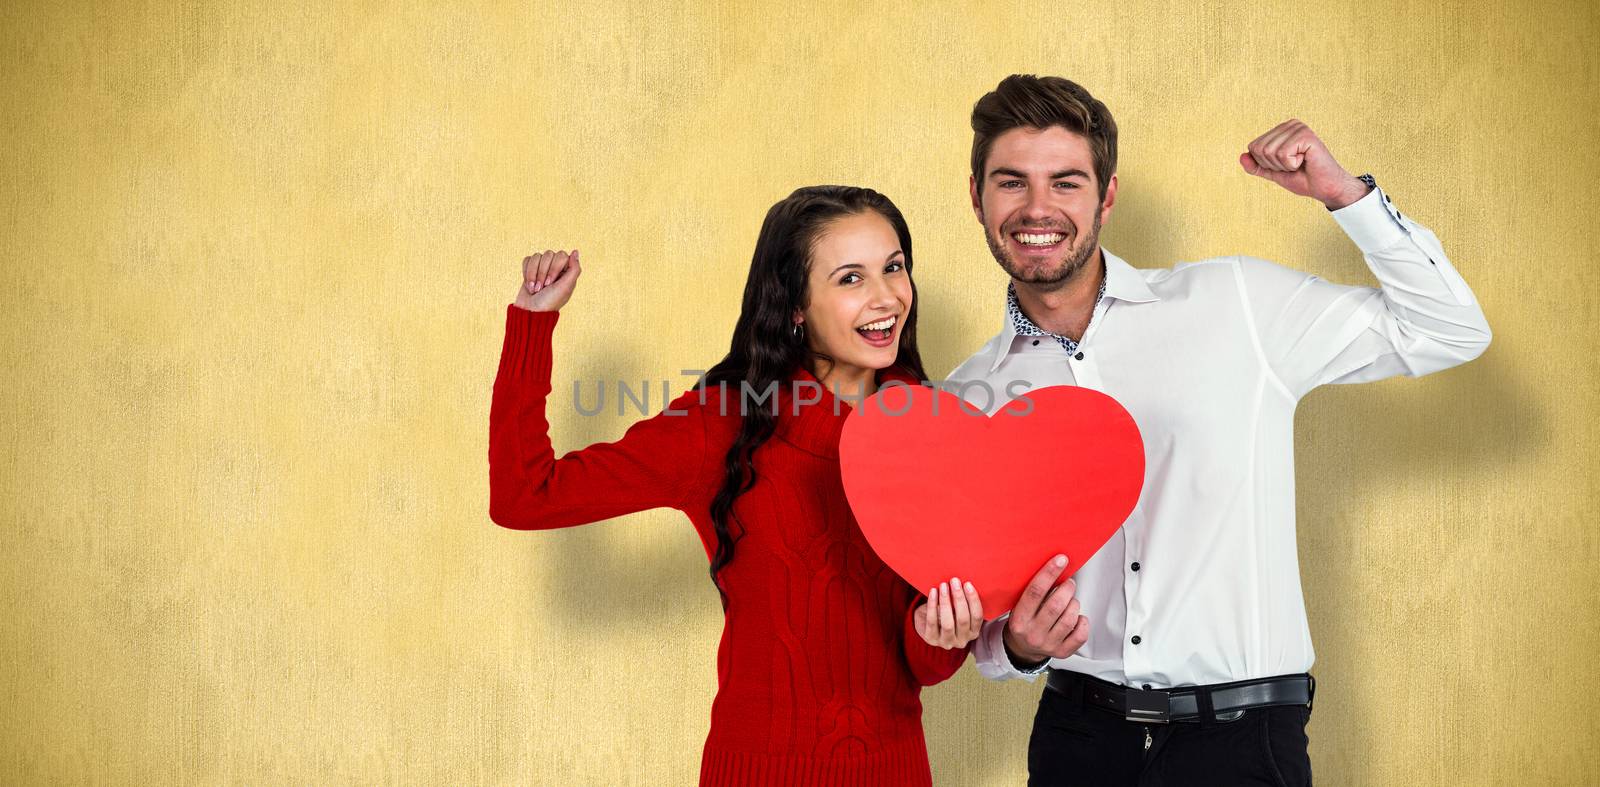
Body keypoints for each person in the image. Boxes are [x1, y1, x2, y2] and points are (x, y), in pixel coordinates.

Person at [943, 75, 1492, 786]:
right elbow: (981, 617)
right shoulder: (969, 396)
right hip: (1077, 739)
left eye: (1067, 183)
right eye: (1012, 183)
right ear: (977, 196)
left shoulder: (1235, 303)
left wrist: (1343, 196)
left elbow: (1448, 329)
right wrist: (1014, 646)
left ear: (1107, 196)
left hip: (1241, 744)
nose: (1038, 208)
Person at [488, 185, 994, 785]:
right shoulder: (721, 421)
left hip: (896, 770)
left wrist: (945, 633)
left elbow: (923, 667)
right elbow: (525, 496)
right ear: (796, 306)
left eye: (894, 268)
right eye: (851, 279)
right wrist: (532, 326)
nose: (887, 298)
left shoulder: (934, 427)